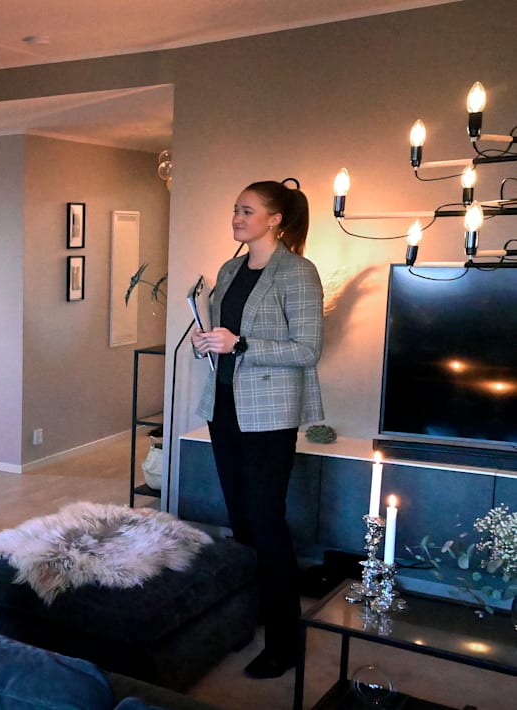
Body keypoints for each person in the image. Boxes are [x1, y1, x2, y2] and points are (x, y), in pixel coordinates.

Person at [191, 179, 323, 680]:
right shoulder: (229, 269)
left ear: (275, 220)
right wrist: (208, 341)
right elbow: (226, 337)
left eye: (247, 210)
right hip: (224, 407)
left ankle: (285, 642)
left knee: (266, 523)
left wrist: (240, 344)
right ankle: (250, 616)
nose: (237, 217)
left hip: (268, 415)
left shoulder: (298, 272)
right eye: (235, 209)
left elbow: (307, 350)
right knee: (242, 522)